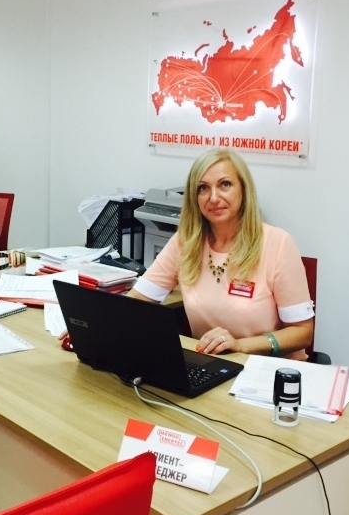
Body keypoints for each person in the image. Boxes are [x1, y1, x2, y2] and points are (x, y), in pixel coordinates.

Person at [127, 148, 314, 359]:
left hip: (267, 369)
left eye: (225, 184)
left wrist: (241, 346)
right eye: (203, 188)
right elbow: (134, 303)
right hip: (212, 365)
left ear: (243, 190)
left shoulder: (278, 243)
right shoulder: (185, 242)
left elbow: (302, 332)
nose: (214, 197)